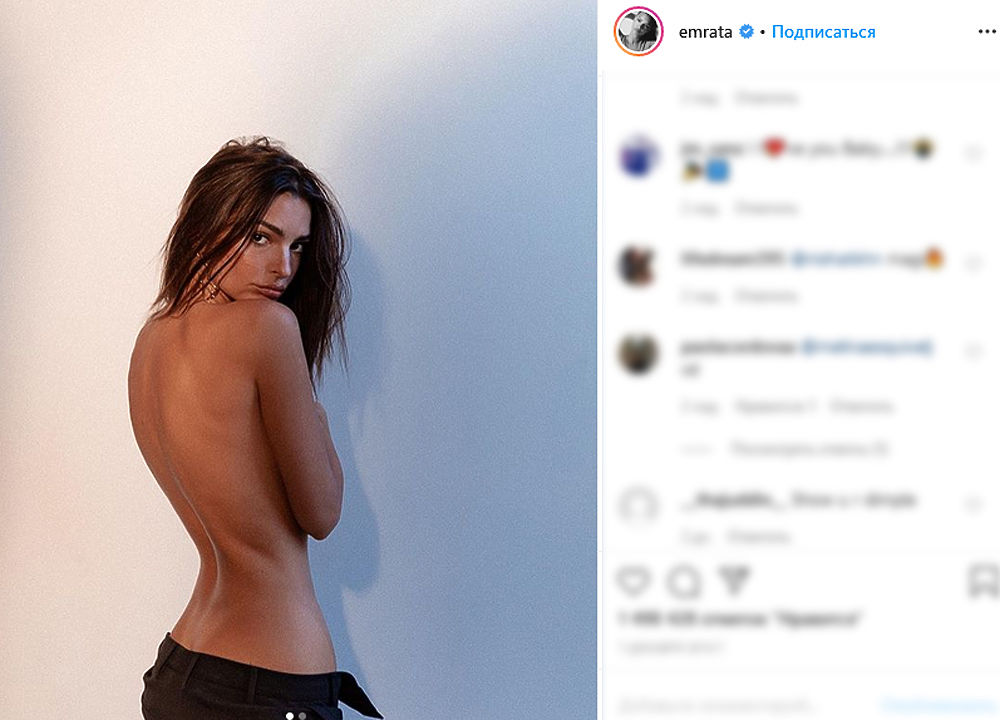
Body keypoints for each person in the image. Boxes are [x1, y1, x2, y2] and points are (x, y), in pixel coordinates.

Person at [129, 137, 382, 720]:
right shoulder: (268, 328)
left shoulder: (151, 342)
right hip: (269, 685)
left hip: (179, 673)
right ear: (207, 226)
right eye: (262, 238)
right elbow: (323, 514)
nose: (284, 267)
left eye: (298, 246)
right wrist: (318, 416)